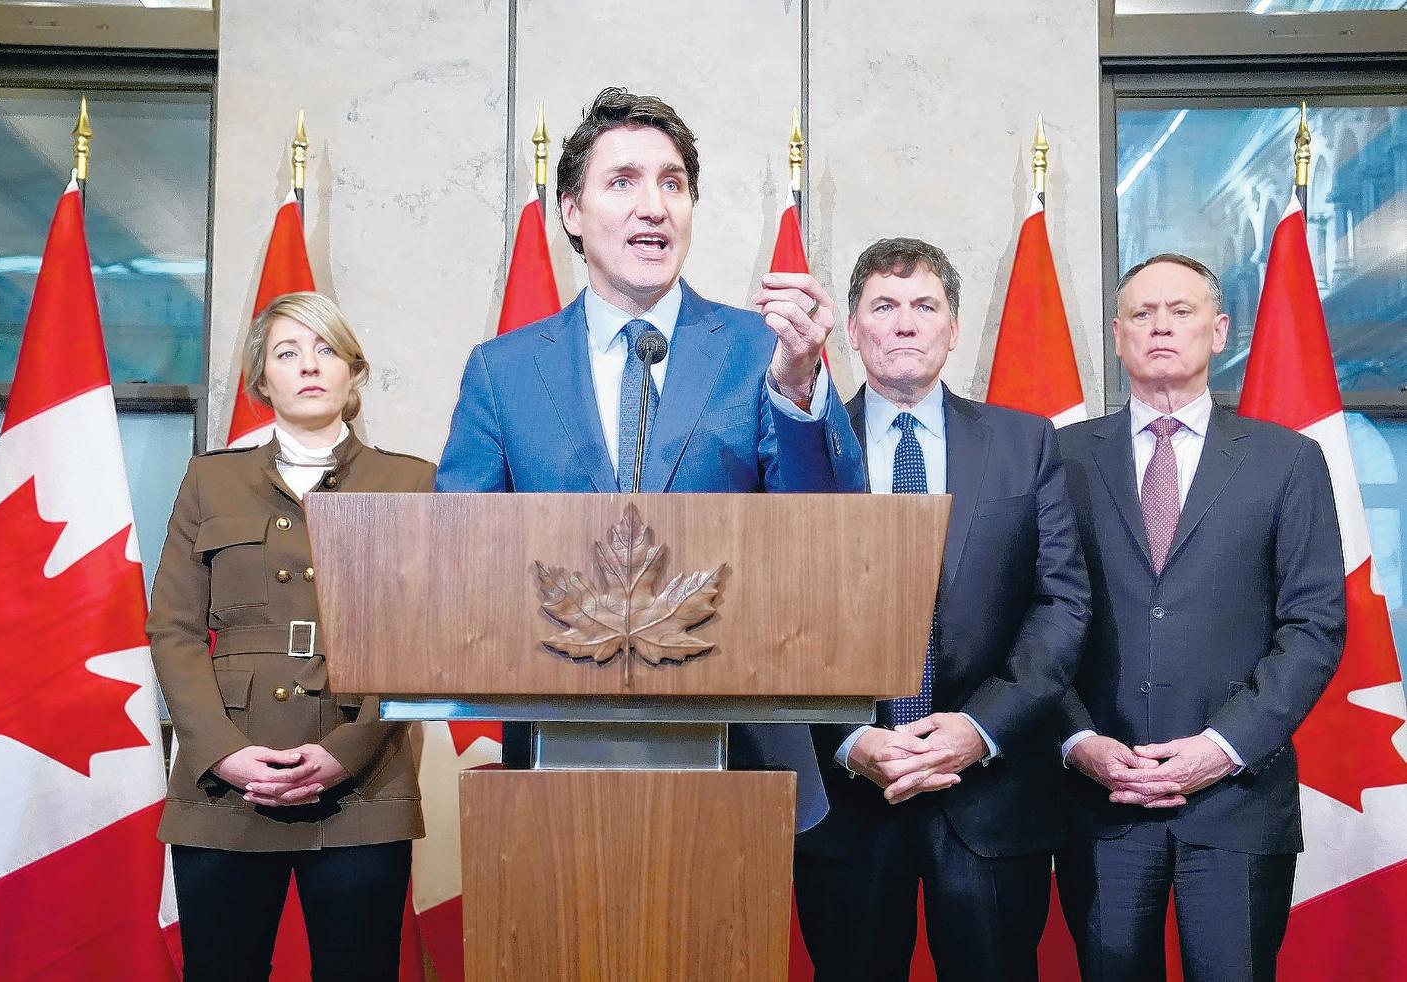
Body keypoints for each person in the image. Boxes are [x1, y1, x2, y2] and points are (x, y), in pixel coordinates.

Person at [435, 86, 864, 828]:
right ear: (572, 212)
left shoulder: (761, 351)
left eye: (672, 184)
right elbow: (460, 553)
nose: (653, 207)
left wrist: (798, 389)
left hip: (743, 754)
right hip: (559, 751)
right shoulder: (504, 372)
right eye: (623, 182)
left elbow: (827, 530)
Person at [793, 238, 1090, 981]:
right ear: (851, 330)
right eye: (883, 306)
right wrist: (849, 738)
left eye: (925, 306)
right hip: (848, 795)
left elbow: (1061, 604)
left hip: (989, 792)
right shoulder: (801, 451)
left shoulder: (1025, 443)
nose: (905, 323)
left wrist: (977, 728)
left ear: (953, 329)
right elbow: (780, 616)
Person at [1055, 254, 1345, 982]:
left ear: (1218, 332)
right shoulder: (1059, 458)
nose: (1160, 327)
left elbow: (1313, 626)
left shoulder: (1287, 460)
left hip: (1237, 801)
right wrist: (1079, 739)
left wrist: (1223, 746)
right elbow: (1033, 619)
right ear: (1117, 336)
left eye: (1180, 311)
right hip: (1103, 796)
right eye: (1142, 314)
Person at [147, 291, 435, 981]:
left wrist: (347, 751)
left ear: (353, 371)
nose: (309, 365)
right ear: (261, 378)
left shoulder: (412, 482)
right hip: (224, 784)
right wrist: (221, 753)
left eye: (326, 349)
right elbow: (174, 628)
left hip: (365, 778)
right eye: (287, 352)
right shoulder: (210, 480)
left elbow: (423, 635)